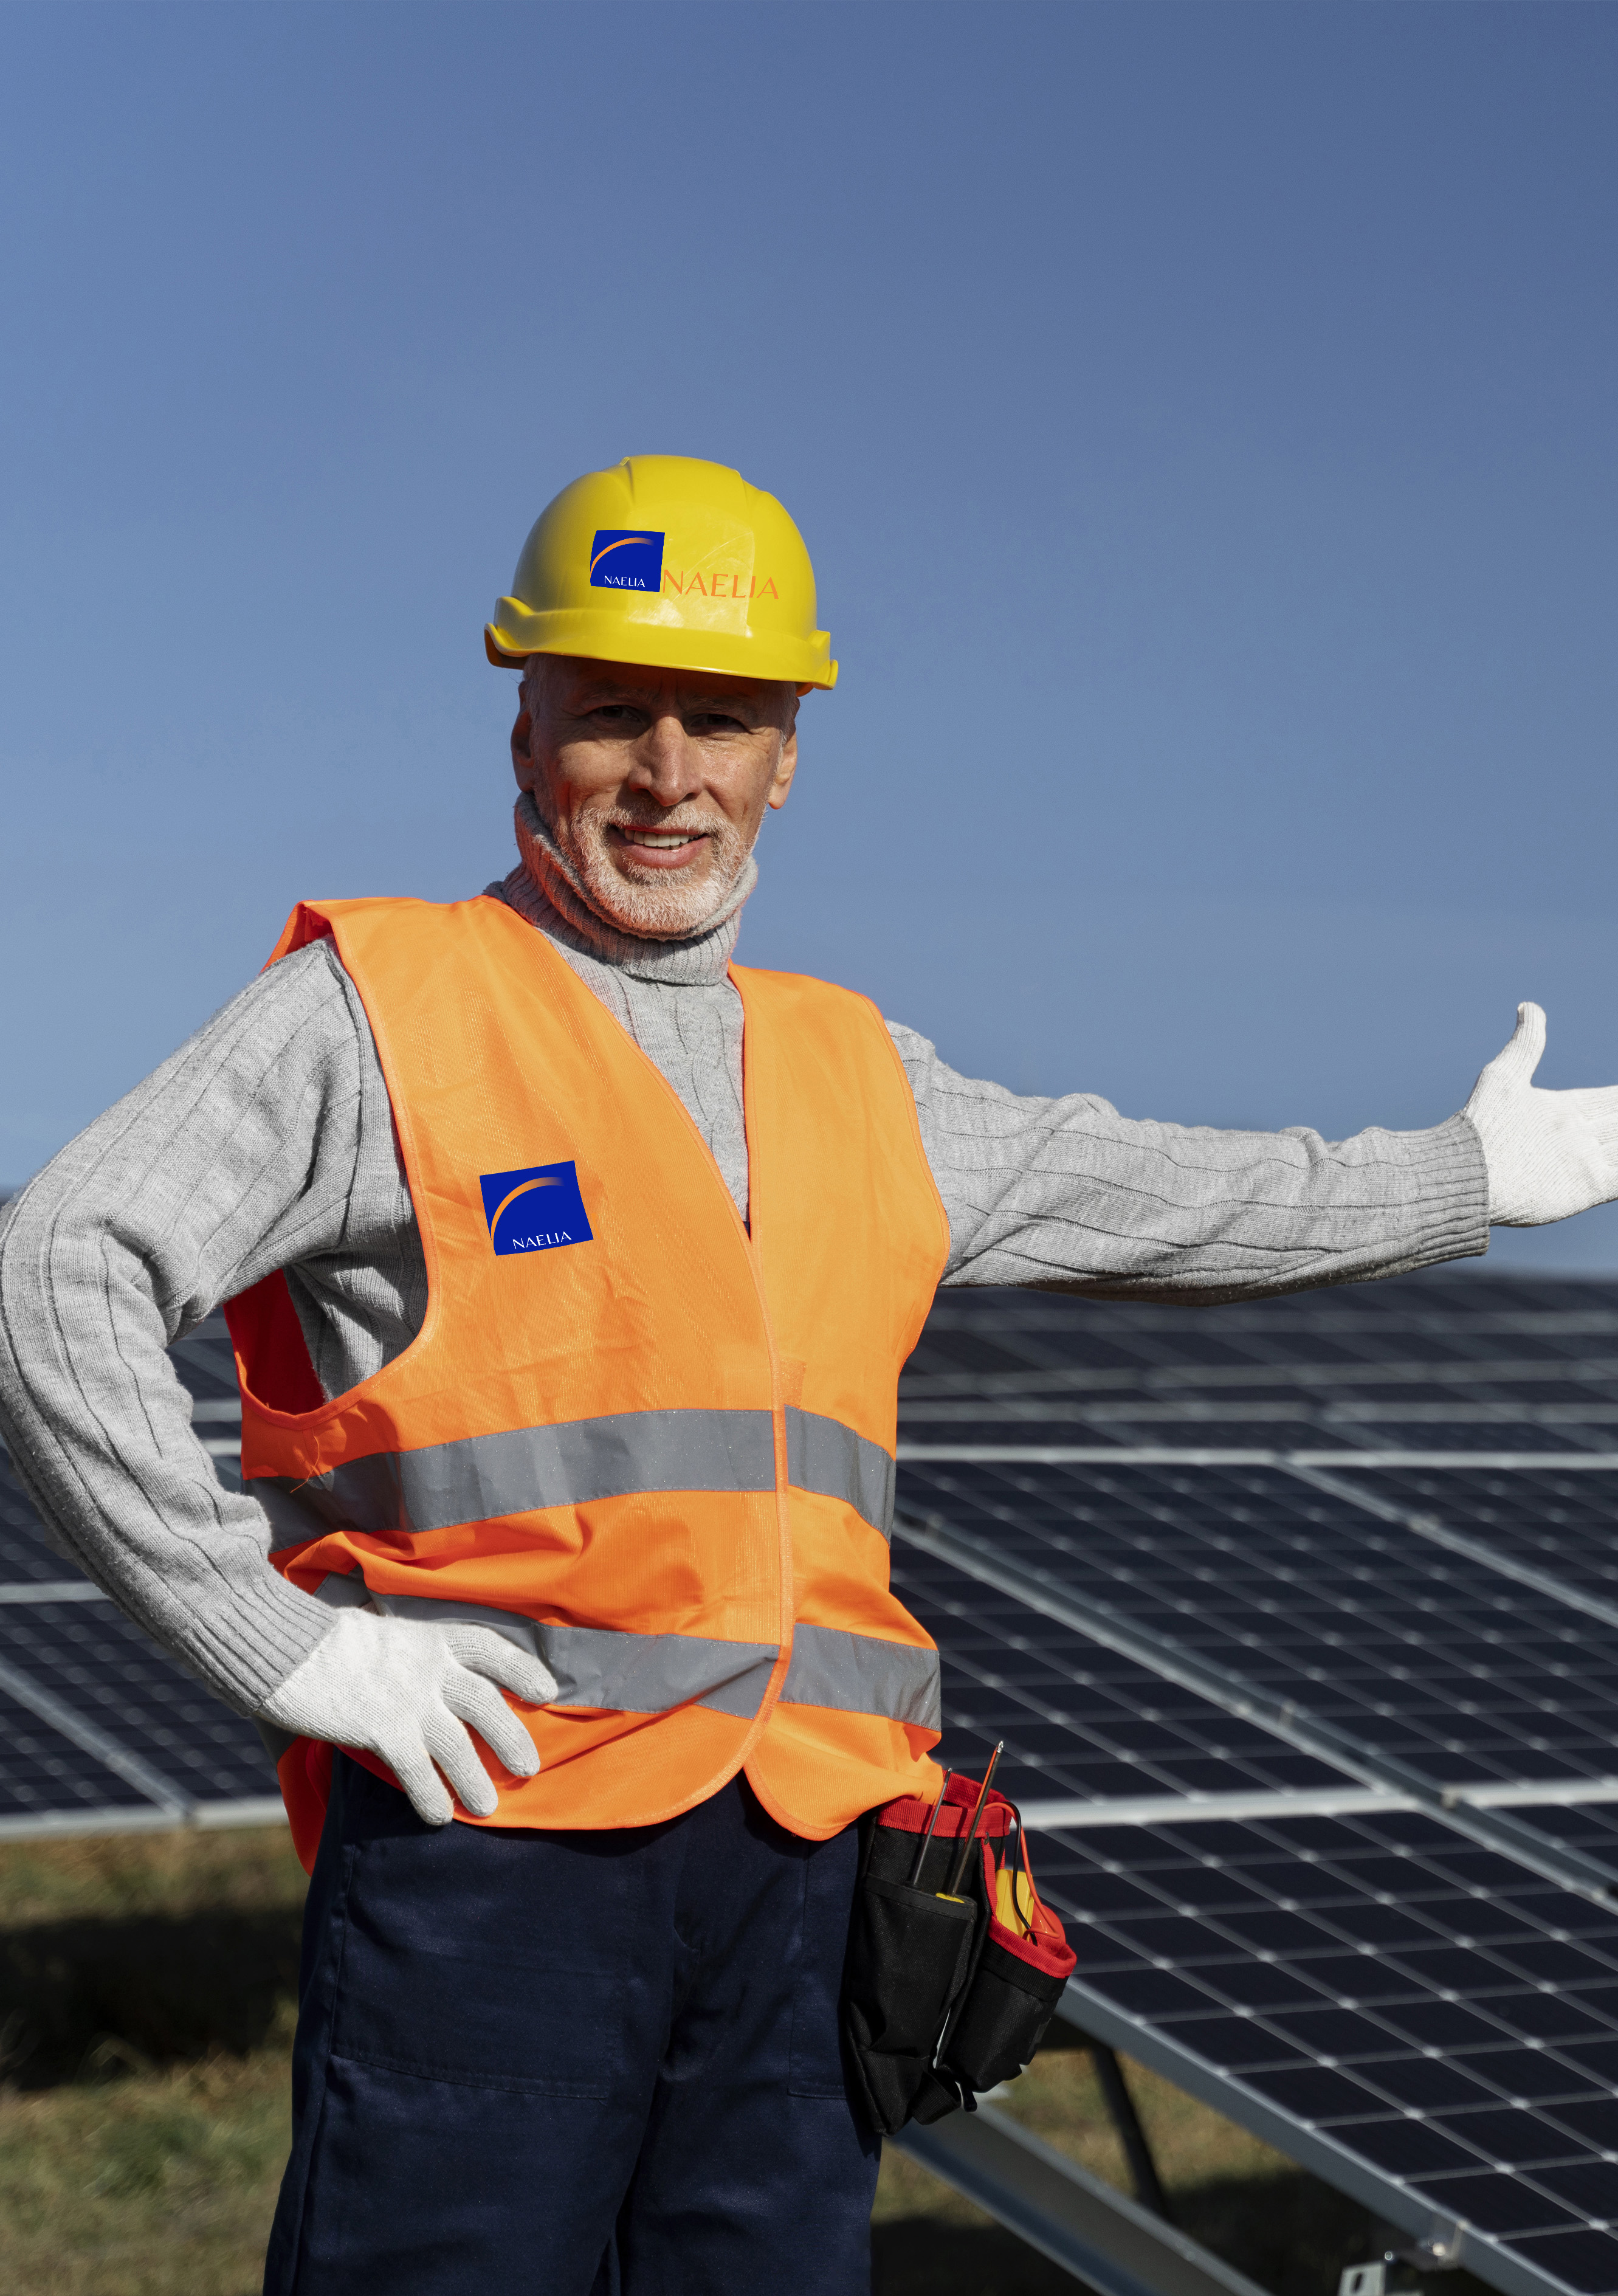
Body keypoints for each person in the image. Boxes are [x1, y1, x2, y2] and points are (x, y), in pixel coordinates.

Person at [1, 454, 1614, 2296]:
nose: (666, 772)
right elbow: (58, 1266)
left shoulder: (862, 1072)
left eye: (722, 720)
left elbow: (1166, 1189)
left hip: (812, 1862)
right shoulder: (378, 1013)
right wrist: (291, 1650)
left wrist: (1470, 1177)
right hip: (499, 1846)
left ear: (788, 758)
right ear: (526, 732)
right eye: (611, 712)